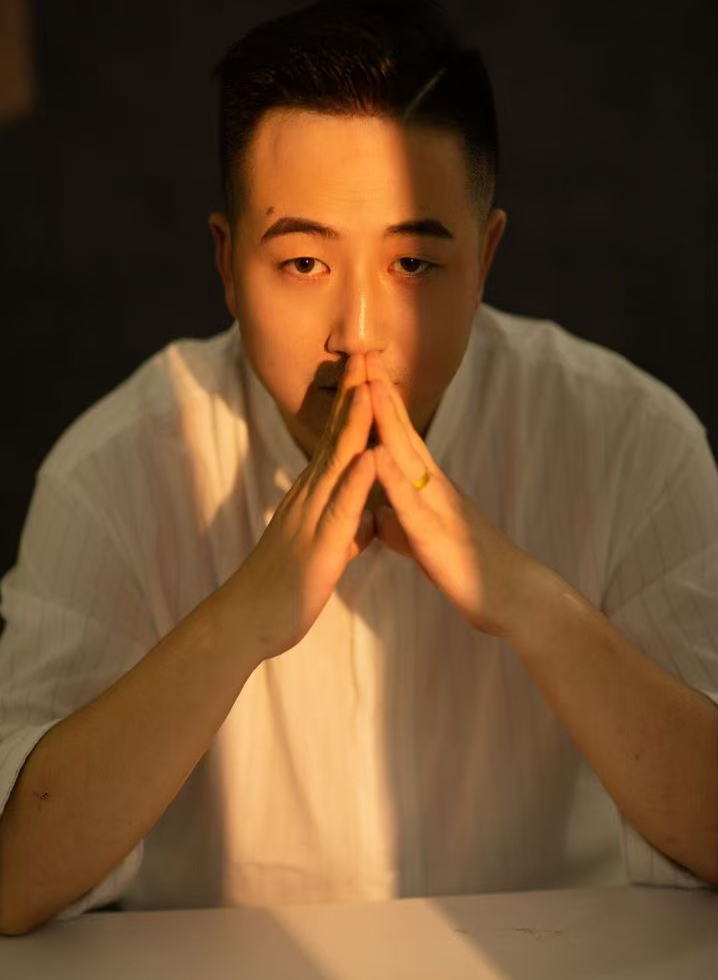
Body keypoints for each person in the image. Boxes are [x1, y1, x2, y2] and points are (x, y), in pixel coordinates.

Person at [0, 0, 716, 936]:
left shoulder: (630, 441)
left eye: (413, 264)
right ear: (228, 263)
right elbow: (13, 879)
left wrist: (528, 601)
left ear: (486, 257)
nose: (360, 336)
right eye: (303, 263)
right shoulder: (115, 469)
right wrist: (242, 618)